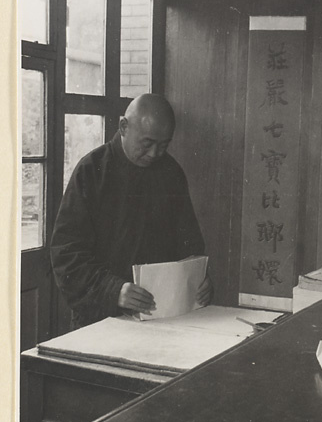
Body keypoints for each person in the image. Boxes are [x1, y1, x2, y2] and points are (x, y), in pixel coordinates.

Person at [51, 93, 212, 330]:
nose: (155, 153)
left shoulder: (171, 172)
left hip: (165, 317)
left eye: (164, 145)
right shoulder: (92, 171)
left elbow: (189, 245)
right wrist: (113, 291)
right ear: (123, 127)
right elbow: (66, 254)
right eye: (147, 143)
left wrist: (199, 279)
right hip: (100, 318)